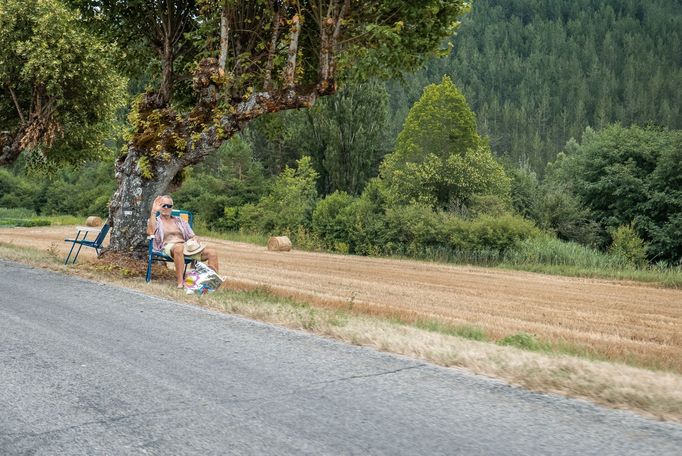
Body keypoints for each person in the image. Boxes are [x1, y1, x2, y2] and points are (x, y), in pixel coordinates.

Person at [147, 195, 219, 288]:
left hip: (186, 247)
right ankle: (181, 283)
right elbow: (150, 232)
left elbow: (192, 235)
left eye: (169, 206)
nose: (166, 208)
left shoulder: (180, 221)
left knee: (212, 252)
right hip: (167, 246)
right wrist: (153, 212)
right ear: (159, 206)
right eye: (163, 205)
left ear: (172, 208)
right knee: (178, 248)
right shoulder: (155, 220)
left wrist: (195, 238)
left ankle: (211, 284)